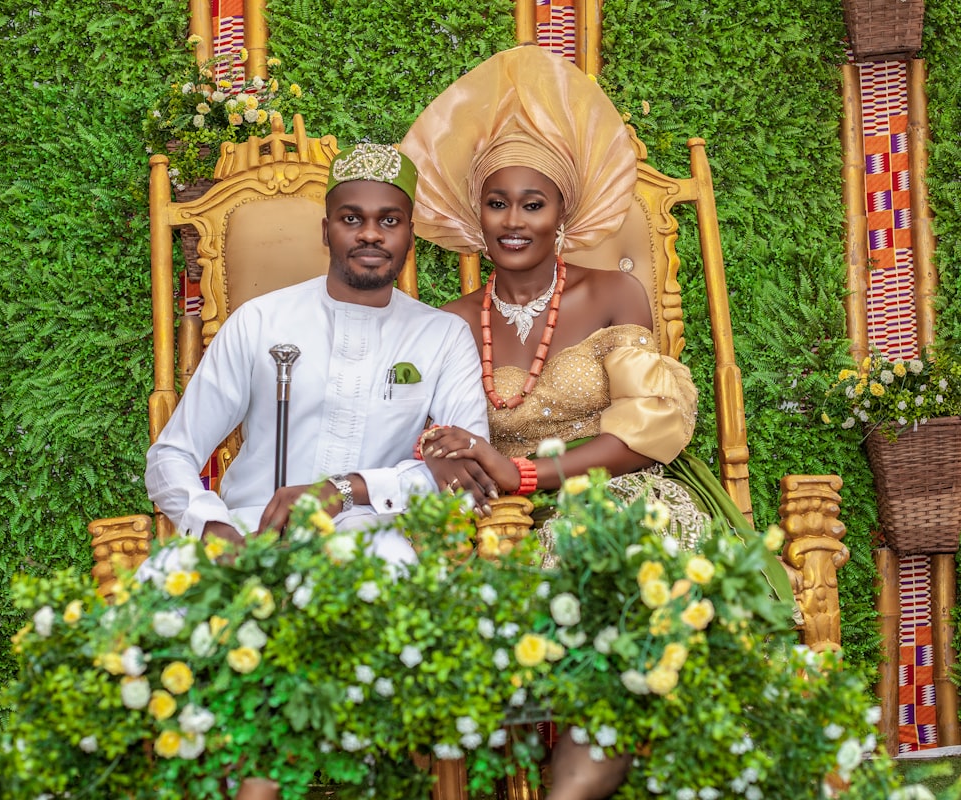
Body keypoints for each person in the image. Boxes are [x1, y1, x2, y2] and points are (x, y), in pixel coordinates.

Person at [400, 45, 797, 799]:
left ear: (563, 216)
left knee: (618, 590)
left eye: (533, 203)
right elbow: (425, 430)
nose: (512, 221)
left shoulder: (615, 293)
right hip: (501, 519)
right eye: (497, 202)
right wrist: (449, 453)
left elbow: (648, 428)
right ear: (474, 212)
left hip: (619, 493)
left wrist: (528, 473)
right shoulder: (447, 322)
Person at [144, 143, 496, 565]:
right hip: (248, 531)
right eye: (352, 219)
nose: (370, 233)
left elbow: (466, 475)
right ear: (325, 230)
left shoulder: (442, 337)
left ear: (409, 235)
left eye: (389, 220)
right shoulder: (259, 321)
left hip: (371, 539)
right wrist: (210, 525)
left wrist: (348, 489)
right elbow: (172, 455)